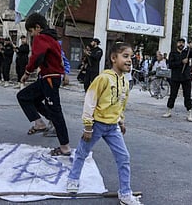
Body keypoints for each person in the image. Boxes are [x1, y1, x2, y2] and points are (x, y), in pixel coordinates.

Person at [66, 42, 142, 205]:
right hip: (96, 125)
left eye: (131, 57)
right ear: (113, 58)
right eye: (125, 56)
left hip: (113, 127)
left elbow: (121, 103)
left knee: (124, 157)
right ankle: (73, 179)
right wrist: (88, 126)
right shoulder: (103, 78)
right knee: (81, 152)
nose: (130, 60)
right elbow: (90, 101)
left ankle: (125, 193)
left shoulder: (125, 81)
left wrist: (121, 120)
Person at [16, 13, 71, 156]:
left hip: (50, 79)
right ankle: (40, 122)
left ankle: (65, 146)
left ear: (38, 28)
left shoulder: (41, 38)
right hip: (46, 78)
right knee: (25, 96)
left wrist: (27, 72)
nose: (31, 35)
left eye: (31, 31)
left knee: (56, 111)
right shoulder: (52, 39)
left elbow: (37, 56)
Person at [162, 38, 192, 121]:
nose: (181, 44)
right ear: (177, 44)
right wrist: (181, 62)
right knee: (173, 94)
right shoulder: (172, 53)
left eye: (183, 43)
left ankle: (189, 113)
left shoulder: (187, 52)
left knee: (187, 95)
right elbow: (171, 65)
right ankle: (168, 110)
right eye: (180, 42)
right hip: (175, 77)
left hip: (185, 77)